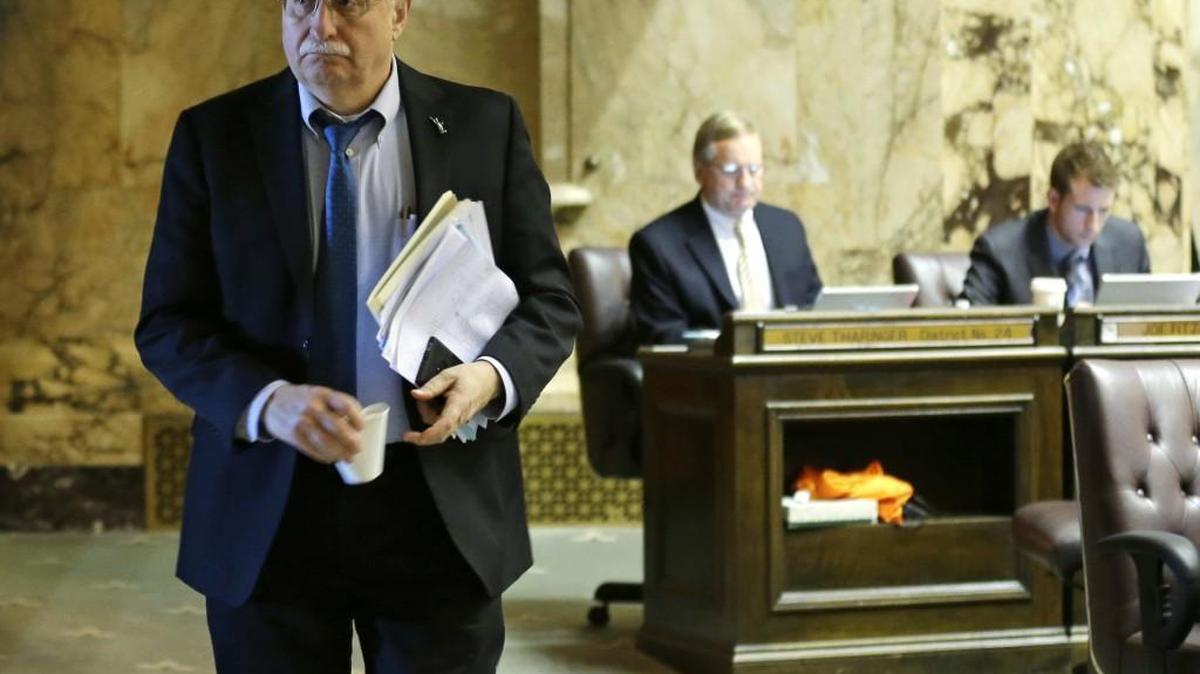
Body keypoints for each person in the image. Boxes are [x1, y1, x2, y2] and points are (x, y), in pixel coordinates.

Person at [134, 0, 580, 672]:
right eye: (300, 5)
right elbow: (169, 322)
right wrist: (268, 400)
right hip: (268, 512)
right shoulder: (216, 136)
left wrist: (488, 379)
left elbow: (549, 301)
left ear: (399, 11)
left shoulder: (483, 125)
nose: (321, 27)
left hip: (436, 510)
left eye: (347, 3)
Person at [628, 111, 823, 345]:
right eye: (731, 170)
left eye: (754, 169)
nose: (745, 183)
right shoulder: (658, 245)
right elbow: (663, 335)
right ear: (699, 171)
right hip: (710, 376)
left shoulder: (787, 228)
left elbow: (815, 308)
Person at [960, 141, 1150, 306]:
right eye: (1083, 210)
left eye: (1103, 211)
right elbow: (970, 327)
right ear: (1053, 200)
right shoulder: (999, 251)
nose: (1093, 225)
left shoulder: (1130, 243)